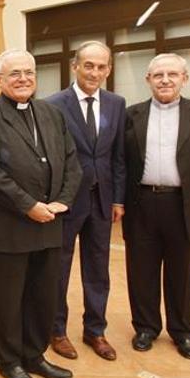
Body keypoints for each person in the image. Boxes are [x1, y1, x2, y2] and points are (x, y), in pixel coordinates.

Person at [0, 49, 82, 378]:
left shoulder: (51, 114)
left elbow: (72, 161)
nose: (23, 79)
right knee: (6, 299)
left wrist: (62, 201)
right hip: (4, 227)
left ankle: (34, 355)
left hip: (48, 223)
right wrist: (28, 204)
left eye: (29, 72)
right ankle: (9, 360)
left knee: (42, 296)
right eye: (14, 73)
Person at [122, 53, 190, 360]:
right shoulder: (131, 115)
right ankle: (145, 327)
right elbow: (122, 161)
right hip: (142, 203)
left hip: (183, 205)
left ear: (184, 79)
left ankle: (182, 332)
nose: (165, 80)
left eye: (172, 74)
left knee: (182, 272)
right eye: (158, 75)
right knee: (141, 270)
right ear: (148, 80)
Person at [45, 41, 126, 361]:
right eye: (88, 65)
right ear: (75, 66)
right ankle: (57, 330)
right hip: (66, 202)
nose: (95, 72)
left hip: (103, 201)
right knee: (59, 268)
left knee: (98, 269)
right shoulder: (53, 104)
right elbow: (49, 159)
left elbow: (118, 156)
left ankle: (95, 330)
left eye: (101, 67)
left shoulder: (116, 103)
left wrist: (118, 199)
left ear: (109, 70)